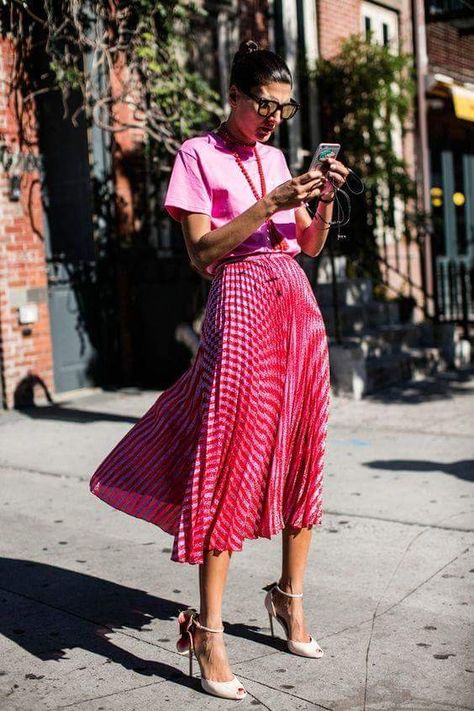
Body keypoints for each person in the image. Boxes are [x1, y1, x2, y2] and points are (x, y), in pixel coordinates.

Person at [89, 39, 349, 701]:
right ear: (234, 94)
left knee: (302, 451)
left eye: (283, 110)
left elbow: (306, 245)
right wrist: (266, 204)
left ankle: (288, 598)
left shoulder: (277, 156)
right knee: (230, 460)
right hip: (239, 306)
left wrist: (316, 201)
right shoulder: (196, 155)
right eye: (264, 104)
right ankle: (207, 631)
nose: (272, 119)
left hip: (296, 307)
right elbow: (204, 251)